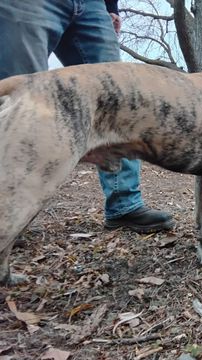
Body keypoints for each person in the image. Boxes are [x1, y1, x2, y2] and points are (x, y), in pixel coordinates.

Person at [0, 0, 175, 233]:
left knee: (117, 99)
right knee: (23, 102)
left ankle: (124, 204)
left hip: (93, 5)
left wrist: (111, 7)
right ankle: (10, 214)